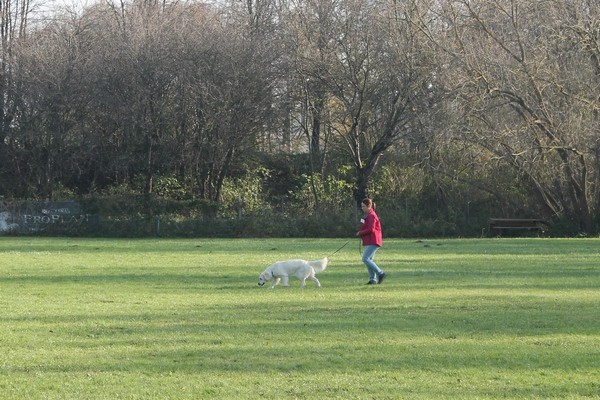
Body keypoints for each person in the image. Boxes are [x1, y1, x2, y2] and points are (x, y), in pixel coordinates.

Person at [356, 198, 387, 285]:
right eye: (362, 206)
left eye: (363, 206)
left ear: (369, 206)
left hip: (373, 240)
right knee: (369, 259)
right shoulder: (367, 215)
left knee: (365, 258)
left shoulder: (372, 216)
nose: (362, 208)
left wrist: (360, 233)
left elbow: (371, 229)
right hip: (369, 240)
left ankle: (380, 273)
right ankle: (372, 279)